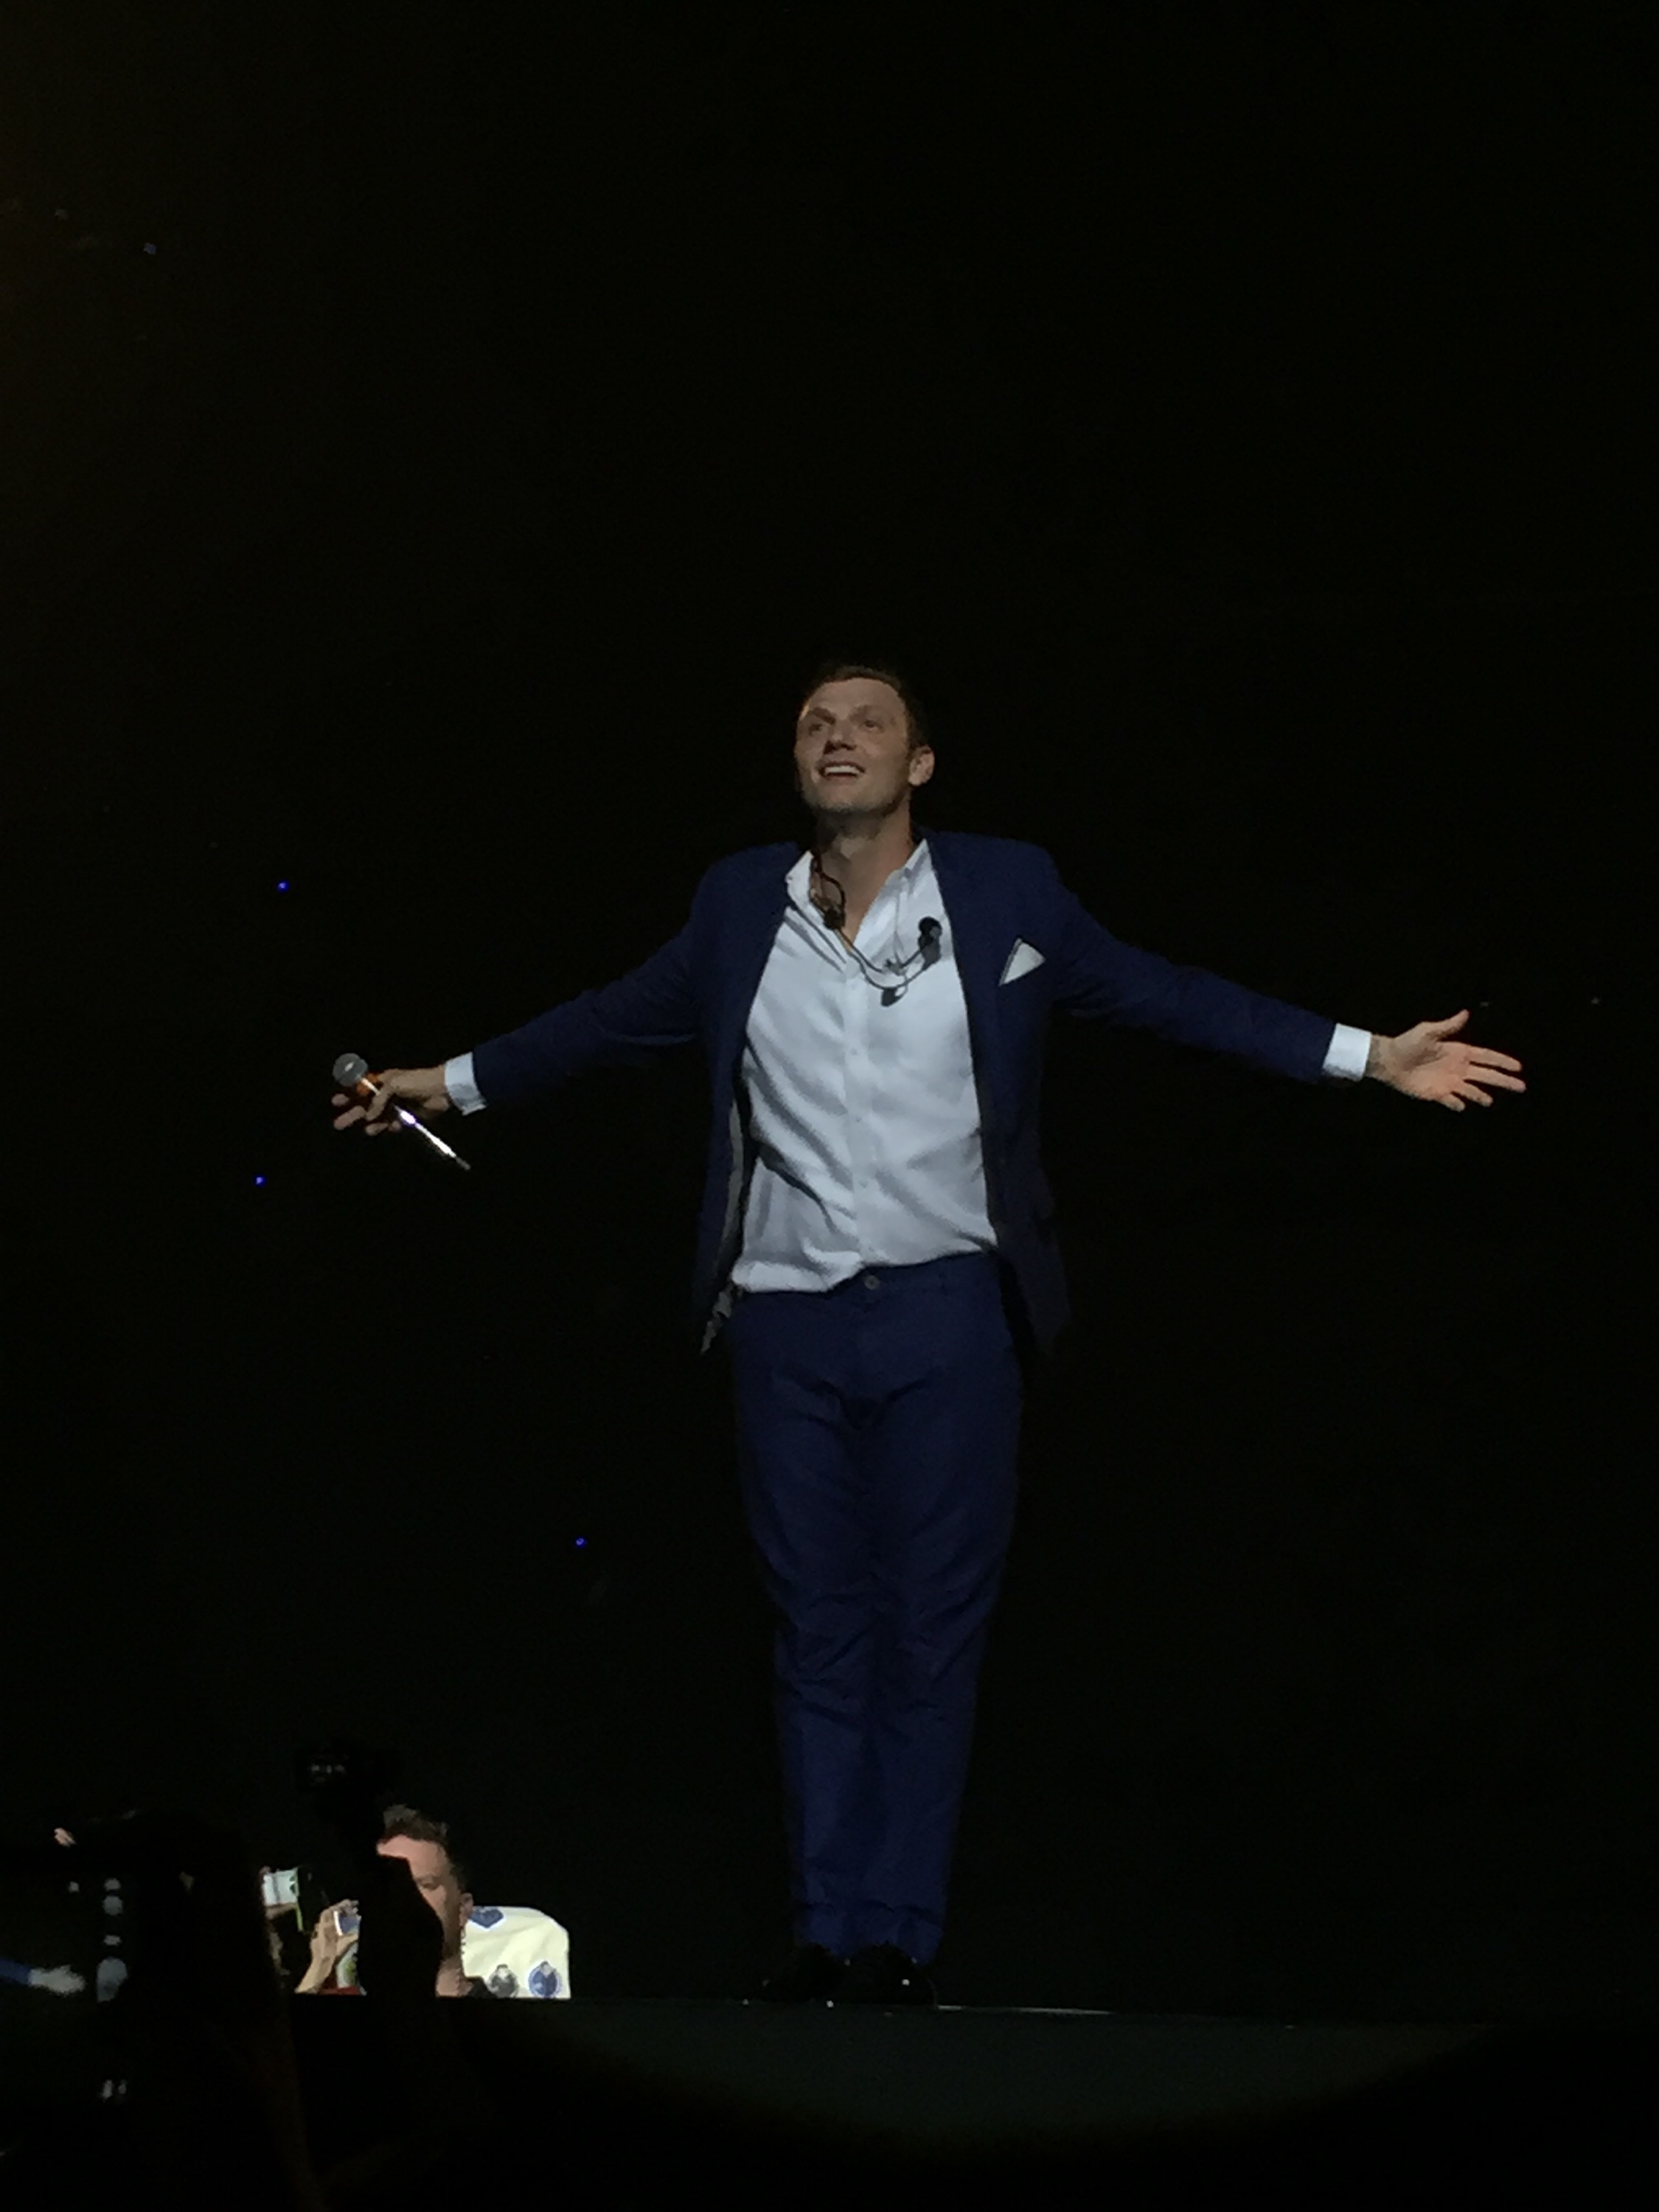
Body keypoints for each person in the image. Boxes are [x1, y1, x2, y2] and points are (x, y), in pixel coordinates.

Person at [333, 664, 1525, 2006]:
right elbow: (610, 1019)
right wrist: (449, 1084)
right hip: (785, 1323)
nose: (836, 738)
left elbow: (1168, 993)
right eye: (814, 724)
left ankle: (895, 1938)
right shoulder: (738, 904)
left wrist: (1370, 1054)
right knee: (816, 1631)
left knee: (931, 1632)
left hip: (949, 1317)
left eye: (868, 724)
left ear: (919, 766)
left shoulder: (1006, 891)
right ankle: (822, 1933)